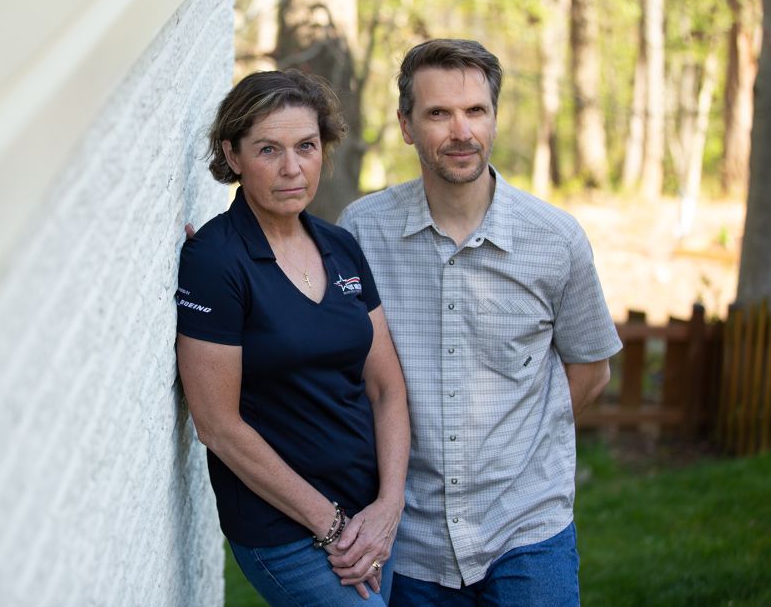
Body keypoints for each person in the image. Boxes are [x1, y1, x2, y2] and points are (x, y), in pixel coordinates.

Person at [338, 39, 622, 606]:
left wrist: (519, 449)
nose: (460, 131)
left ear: (495, 117)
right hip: (407, 534)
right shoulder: (361, 233)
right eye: (438, 113)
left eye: (475, 111)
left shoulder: (555, 240)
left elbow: (590, 372)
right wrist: (232, 254)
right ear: (406, 125)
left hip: (526, 528)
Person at [176, 70, 411, 606]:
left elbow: (386, 389)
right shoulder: (217, 260)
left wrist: (389, 503)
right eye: (268, 150)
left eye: (306, 146)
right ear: (232, 156)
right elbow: (218, 426)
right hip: (283, 526)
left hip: (368, 515)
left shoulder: (340, 247)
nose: (291, 168)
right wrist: (328, 523)